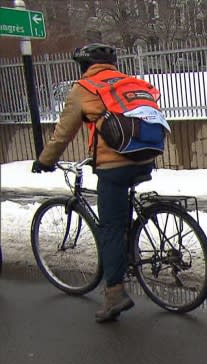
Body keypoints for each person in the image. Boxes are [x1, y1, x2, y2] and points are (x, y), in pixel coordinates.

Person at [32, 43, 156, 323]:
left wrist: (45, 160)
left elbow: (63, 133)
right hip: (145, 157)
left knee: (110, 228)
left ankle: (114, 295)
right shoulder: (127, 83)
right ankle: (129, 250)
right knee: (120, 217)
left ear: (84, 66)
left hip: (113, 167)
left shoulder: (84, 88)